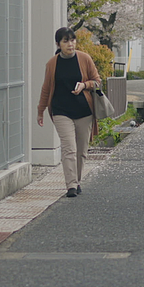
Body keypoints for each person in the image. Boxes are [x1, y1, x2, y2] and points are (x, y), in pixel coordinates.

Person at [37, 26, 101, 197]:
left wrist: (84, 85)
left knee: (81, 151)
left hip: (84, 111)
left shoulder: (84, 59)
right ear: (58, 44)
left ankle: (77, 180)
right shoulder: (52, 64)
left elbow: (97, 81)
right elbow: (46, 88)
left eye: (72, 40)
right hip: (61, 111)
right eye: (66, 41)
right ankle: (71, 185)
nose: (70, 44)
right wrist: (40, 110)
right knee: (69, 149)